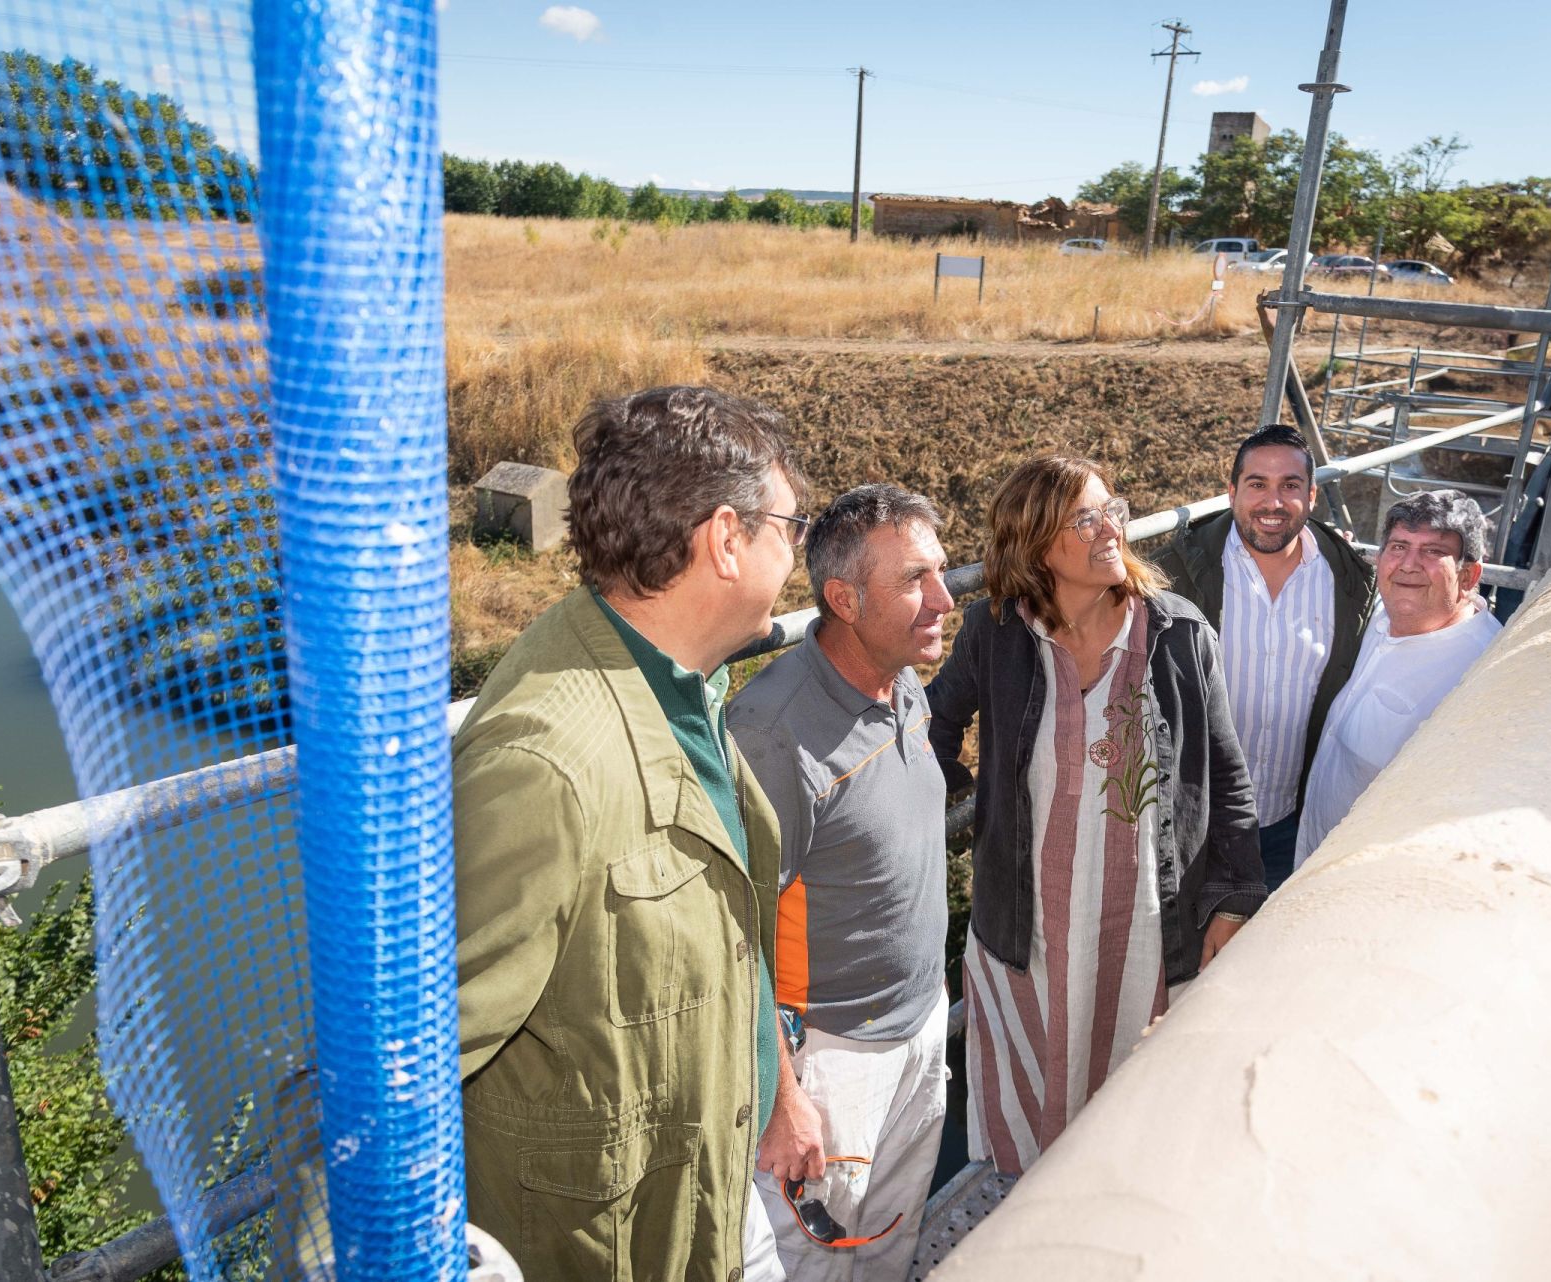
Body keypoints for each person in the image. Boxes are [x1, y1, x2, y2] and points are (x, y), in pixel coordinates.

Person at [452, 386, 804, 1282]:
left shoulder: (681, 681)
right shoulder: (544, 768)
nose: (794, 556)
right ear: (727, 539)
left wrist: (775, 1090)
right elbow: (374, 1081)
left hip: (709, 1211)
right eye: (789, 529)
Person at [926, 455, 1264, 1174]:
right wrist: (954, 799)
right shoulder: (997, 633)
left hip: (1144, 929)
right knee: (1039, 1110)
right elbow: (935, 722)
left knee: (1134, 1117)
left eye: (1114, 509)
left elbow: (1227, 774)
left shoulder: (1176, 635)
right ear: (1034, 542)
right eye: (1086, 518)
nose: (1111, 528)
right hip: (1029, 931)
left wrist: (1234, 900)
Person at [728, 483, 955, 1282]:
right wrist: (782, 1096)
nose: (943, 598)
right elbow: (734, 937)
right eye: (915, 581)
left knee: (890, 1237)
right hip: (829, 1065)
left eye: (941, 571)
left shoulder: (905, 680)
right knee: (818, 1262)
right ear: (843, 598)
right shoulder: (772, 732)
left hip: (921, 1024)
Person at [1157, 425, 1376, 890]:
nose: (1273, 503)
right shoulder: (1176, 573)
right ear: (1232, 491)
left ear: (1312, 495)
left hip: (1288, 825)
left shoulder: (1349, 582)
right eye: (1257, 484)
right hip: (1189, 821)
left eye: (1290, 486)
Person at [1294, 489, 1503, 867]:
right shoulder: (1383, 615)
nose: (1408, 564)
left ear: (1469, 574)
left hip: (1368, 873)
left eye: (1433, 552)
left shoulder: (1480, 672)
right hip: (1311, 851)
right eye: (1398, 546)